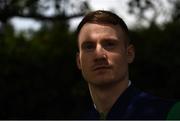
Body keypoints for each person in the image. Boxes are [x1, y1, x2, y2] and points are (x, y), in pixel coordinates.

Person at [76, 10, 176, 119]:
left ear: (129, 54)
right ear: (79, 61)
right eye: (89, 47)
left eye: (109, 44)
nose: (99, 55)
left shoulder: (171, 114)